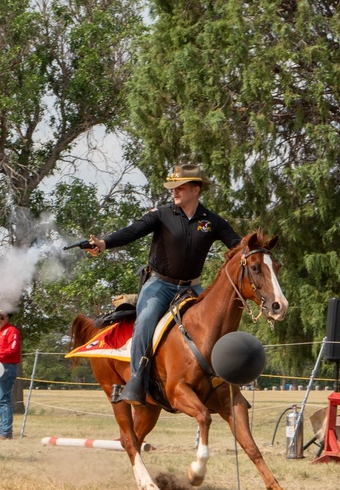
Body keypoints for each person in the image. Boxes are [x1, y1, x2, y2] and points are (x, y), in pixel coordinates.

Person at [87, 163, 241, 404]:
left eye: (180, 187)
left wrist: (258, 254)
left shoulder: (212, 221)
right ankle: (137, 381)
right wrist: (105, 243)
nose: (174, 192)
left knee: (217, 319)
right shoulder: (161, 214)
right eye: (173, 188)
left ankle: (221, 380)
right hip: (160, 285)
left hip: (192, 288)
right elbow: (133, 231)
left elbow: (238, 246)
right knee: (146, 318)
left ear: (196, 190)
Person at [0, 309, 21, 439]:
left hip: (6, 367)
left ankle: (6, 432)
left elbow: (13, 349)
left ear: (7, 318)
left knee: (4, 400)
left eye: (2, 318)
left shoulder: (12, 331)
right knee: (0, 400)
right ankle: (3, 430)